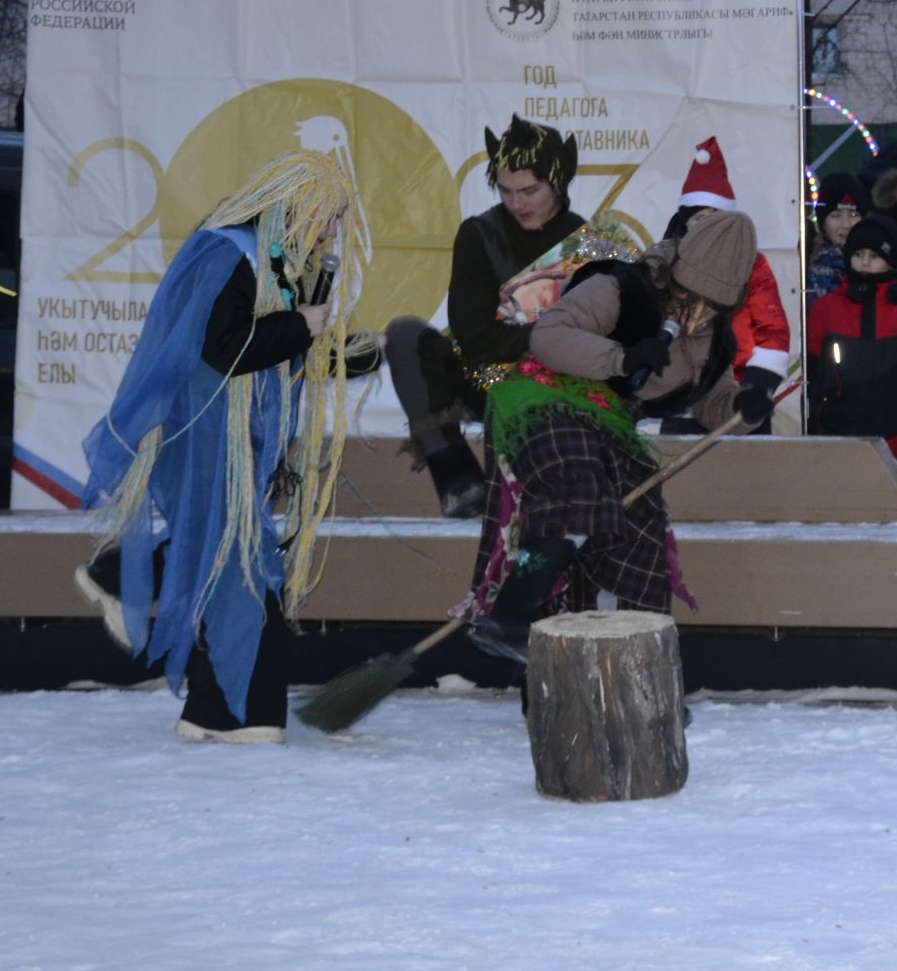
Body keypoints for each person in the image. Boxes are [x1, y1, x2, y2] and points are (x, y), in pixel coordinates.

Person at [77, 151, 371, 743]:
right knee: (240, 558)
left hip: (239, 440)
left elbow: (270, 351)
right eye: (329, 217)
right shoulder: (227, 253)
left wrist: (351, 353)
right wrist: (303, 326)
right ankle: (237, 712)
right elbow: (223, 348)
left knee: (234, 556)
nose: (333, 232)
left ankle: (218, 709)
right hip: (207, 434)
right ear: (297, 207)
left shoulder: (272, 261)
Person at [459, 210, 773, 662]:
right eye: (689, 295)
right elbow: (548, 336)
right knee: (577, 484)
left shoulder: (714, 339)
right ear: (675, 273)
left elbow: (714, 404)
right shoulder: (623, 287)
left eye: (713, 305)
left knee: (640, 531)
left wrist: (743, 411)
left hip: (613, 426)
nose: (697, 312)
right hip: (547, 401)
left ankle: (638, 678)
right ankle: (513, 612)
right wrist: (622, 358)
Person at [386, 116, 592, 517]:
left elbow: (593, 332)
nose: (518, 203)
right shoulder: (479, 234)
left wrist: (531, 338)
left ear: (558, 181)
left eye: (530, 190)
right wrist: (546, 335)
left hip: (556, 384)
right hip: (487, 376)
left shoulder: (583, 239)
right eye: (505, 190)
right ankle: (456, 477)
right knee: (406, 336)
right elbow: (474, 334)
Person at [666, 137, 792, 402]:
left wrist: (755, 387)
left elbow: (772, 329)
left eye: (715, 218)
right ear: (685, 222)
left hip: (738, 389)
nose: (708, 227)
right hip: (678, 391)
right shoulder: (666, 261)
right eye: (700, 218)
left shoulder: (753, 265)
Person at [806, 214, 897, 460]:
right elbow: (814, 371)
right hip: (836, 431)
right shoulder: (826, 309)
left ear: (891, 261)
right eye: (858, 255)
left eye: (875, 255)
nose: (865, 263)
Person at [809, 172, 869, 300]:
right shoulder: (816, 275)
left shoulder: (880, 263)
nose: (846, 225)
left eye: (853, 214)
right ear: (823, 224)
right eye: (836, 215)